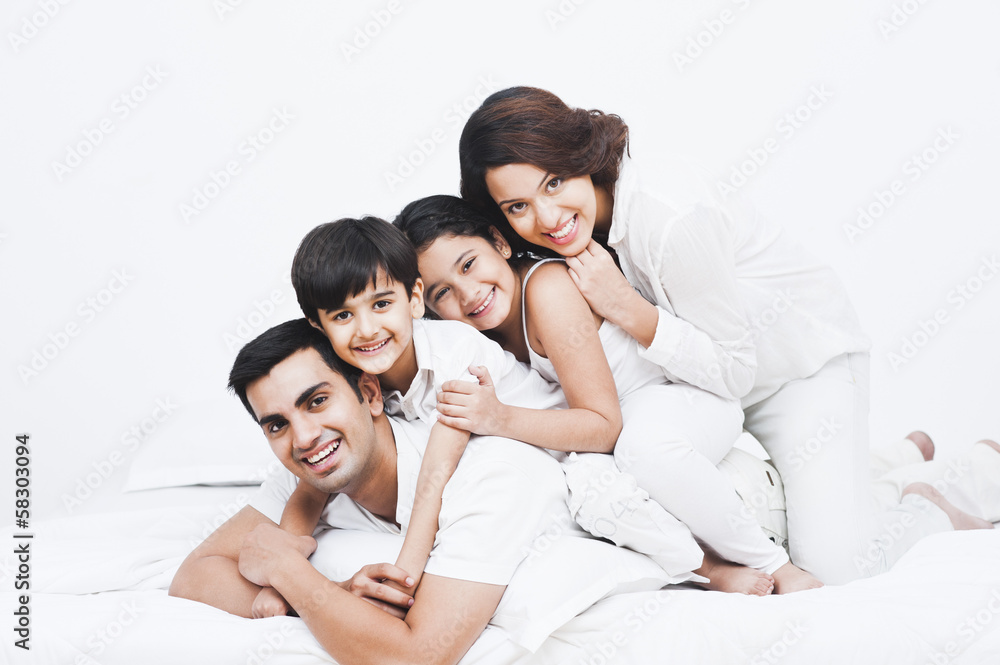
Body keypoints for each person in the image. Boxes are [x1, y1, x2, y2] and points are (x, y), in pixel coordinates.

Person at [456, 86, 986, 584]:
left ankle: (941, 493)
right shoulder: (562, 237)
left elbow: (736, 369)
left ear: (580, 155)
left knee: (839, 566)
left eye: (553, 182)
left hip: (798, 372)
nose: (547, 218)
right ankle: (882, 467)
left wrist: (626, 307)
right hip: (699, 391)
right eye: (517, 207)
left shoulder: (668, 220)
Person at [395, 194, 817, 595]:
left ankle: (777, 565)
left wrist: (499, 418)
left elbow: (603, 426)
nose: (467, 294)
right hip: (626, 421)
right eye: (442, 293)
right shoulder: (479, 335)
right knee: (590, 492)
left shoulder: (546, 291)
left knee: (643, 450)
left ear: (500, 242)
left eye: (468, 265)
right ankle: (705, 567)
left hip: (683, 398)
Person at [284, 216, 706, 584]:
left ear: (413, 300)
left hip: (560, 447)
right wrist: (282, 571)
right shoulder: (353, 378)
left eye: (381, 304)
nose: (366, 330)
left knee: (609, 502)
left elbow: (436, 469)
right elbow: (311, 487)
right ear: (318, 327)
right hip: (507, 469)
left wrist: (407, 568)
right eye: (342, 316)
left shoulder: (454, 350)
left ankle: (707, 568)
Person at [168, 318, 575, 665]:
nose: (305, 438)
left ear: (369, 393)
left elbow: (418, 656)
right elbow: (193, 575)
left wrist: (285, 570)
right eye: (277, 425)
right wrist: (337, 596)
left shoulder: (492, 473)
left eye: (317, 401)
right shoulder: (307, 476)